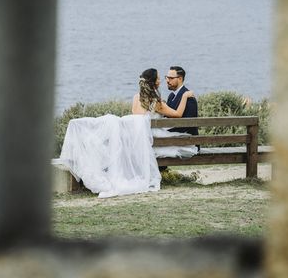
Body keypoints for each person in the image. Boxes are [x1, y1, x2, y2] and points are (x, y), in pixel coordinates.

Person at [52, 67, 197, 198]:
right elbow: (177, 114)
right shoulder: (156, 101)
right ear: (154, 83)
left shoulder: (136, 98)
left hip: (133, 138)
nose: (162, 80)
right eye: (160, 78)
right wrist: (184, 96)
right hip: (147, 139)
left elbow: (136, 118)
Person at [164, 66, 198, 136]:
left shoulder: (189, 98)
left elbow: (188, 125)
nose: (167, 80)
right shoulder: (171, 96)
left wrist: (166, 132)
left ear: (180, 79)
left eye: (171, 78)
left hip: (187, 139)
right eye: (167, 77)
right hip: (173, 136)